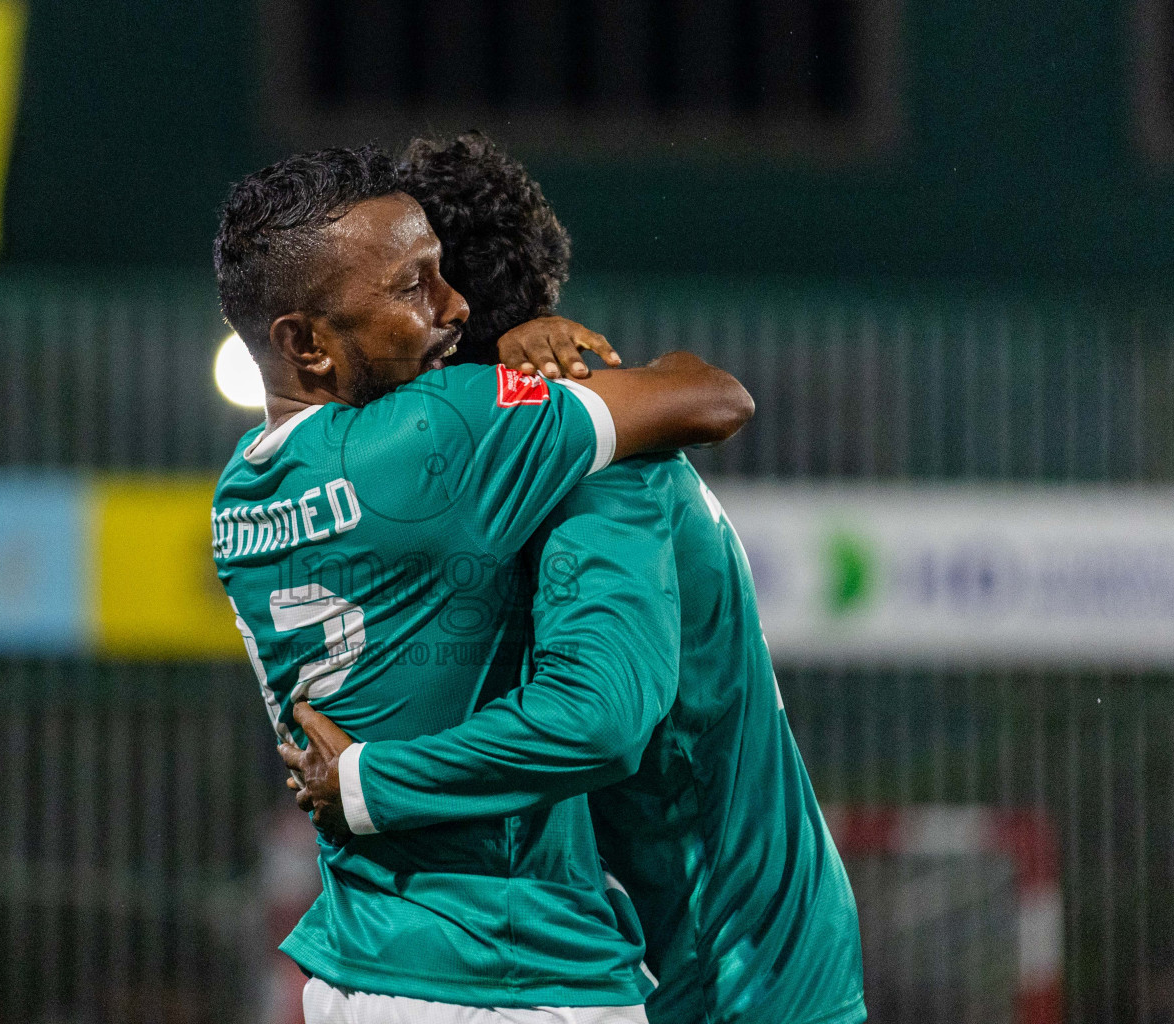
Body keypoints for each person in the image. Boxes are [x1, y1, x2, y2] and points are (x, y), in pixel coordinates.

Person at [280, 133, 866, 1024]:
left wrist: (370, 782)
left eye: (412, 284)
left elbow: (602, 720)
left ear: (447, 329)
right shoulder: (506, 459)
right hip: (666, 956)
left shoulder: (587, 474)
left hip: (743, 972)